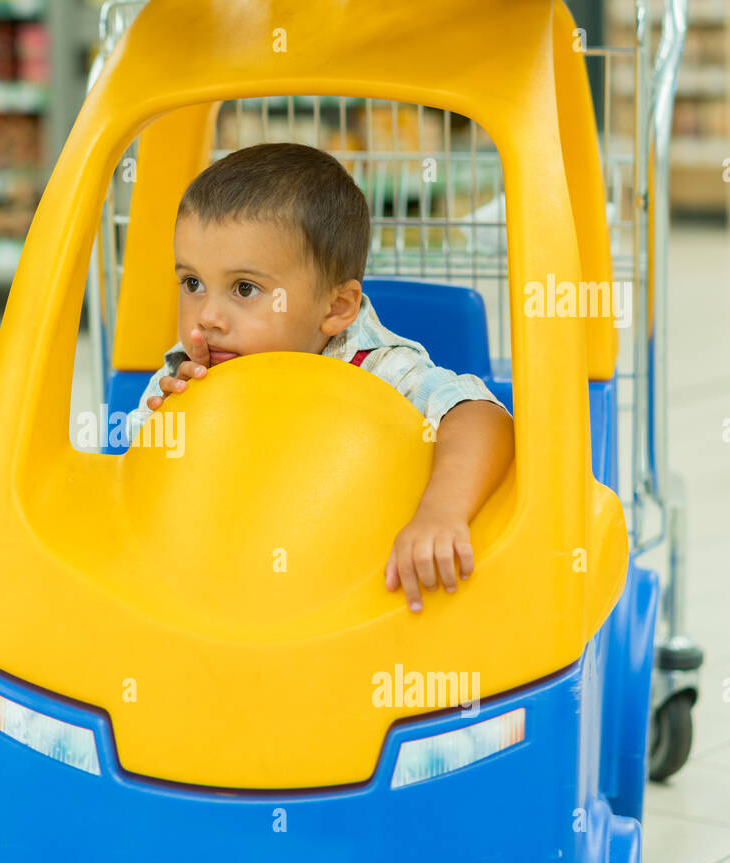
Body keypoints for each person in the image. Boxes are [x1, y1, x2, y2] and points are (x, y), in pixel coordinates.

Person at [124, 142, 514, 613]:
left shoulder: (379, 369)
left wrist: (441, 513)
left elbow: (482, 416)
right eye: (192, 283)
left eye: (244, 289)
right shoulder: (187, 372)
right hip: (229, 596)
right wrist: (174, 424)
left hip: (355, 593)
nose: (207, 316)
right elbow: (141, 489)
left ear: (335, 308)